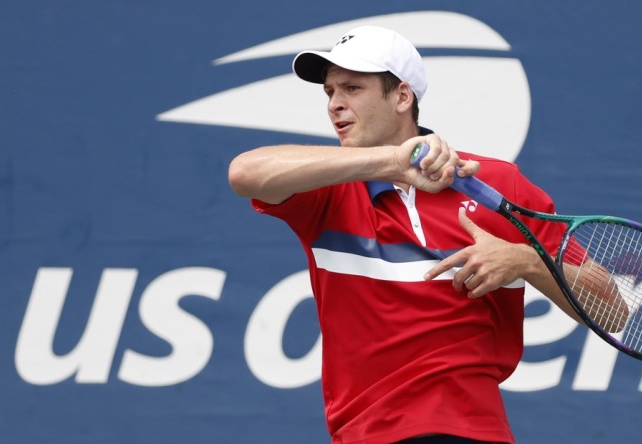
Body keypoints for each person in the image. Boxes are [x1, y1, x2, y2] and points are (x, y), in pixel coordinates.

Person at [229, 25, 605, 444]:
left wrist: (526, 261)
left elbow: (611, 310)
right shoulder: (327, 190)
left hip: (472, 429)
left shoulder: (499, 184)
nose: (335, 105)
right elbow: (245, 173)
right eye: (329, 92)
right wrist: (391, 161)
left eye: (352, 88)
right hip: (365, 434)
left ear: (402, 97)